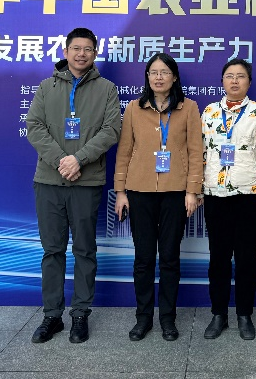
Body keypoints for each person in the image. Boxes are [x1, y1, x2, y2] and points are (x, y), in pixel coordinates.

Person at [26, 27, 121, 344]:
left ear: (95, 53)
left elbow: (111, 130)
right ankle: (52, 315)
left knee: (84, 250)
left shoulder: (106, 89)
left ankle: (80, 314)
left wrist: (78, 159)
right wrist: (61, 161)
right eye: (76, 48)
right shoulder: (46, 87)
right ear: (65, 51)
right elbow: (34, 126)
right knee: (52, 250)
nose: (82, 54)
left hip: (86, 181)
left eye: (88, 49)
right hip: (49, 181)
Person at [113, 53, 203, 342]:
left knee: (169, 258)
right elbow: (124, 152)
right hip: (139, 192)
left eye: (164, 72)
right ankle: (143, 317)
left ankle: (167, 318)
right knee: (143, 258)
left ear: (174, 77)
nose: (159, 77)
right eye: (153, 72)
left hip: (175, 193)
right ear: (147, 77)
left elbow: (195, 151)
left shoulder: (188, 108)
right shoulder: (134, 108)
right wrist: (121, 192)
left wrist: (192, 191)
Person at [200, 58, 256, 341]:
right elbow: (200, 152)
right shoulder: (209, 112)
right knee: (218, 258)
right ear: (222, 81)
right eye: (229, 76)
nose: (235, 81)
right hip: (215, 195)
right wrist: (197, 188)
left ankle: (245, 314)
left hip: (249, 195)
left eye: (241, 76)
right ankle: (218, 314)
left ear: (249, 82)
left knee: (246, 258)